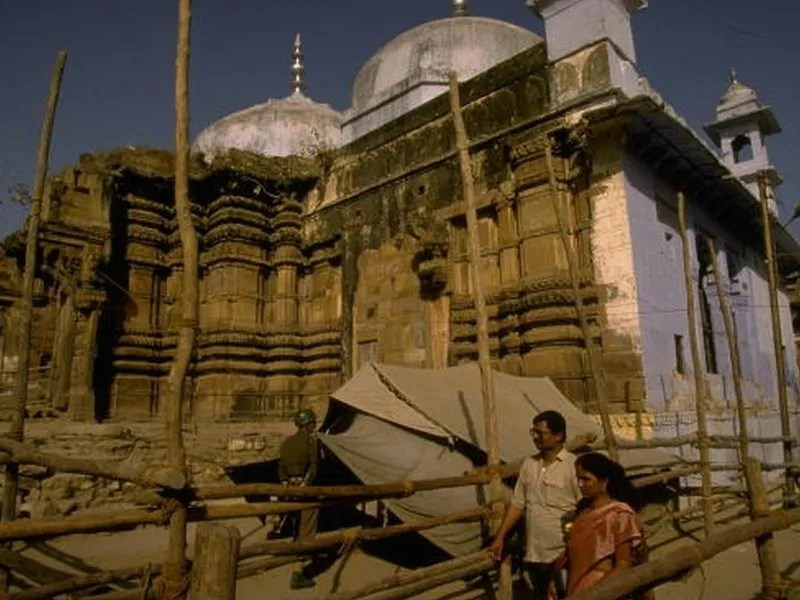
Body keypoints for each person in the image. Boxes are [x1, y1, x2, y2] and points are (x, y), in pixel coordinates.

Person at [489, 410, 581, 600]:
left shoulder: (574, 466)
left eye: (541, 433)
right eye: (534, 432)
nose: (536, 437)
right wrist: (500, 537)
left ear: (558, 436)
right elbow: (517, 504)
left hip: (563, 552)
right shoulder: (529, 465)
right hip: (534, 552)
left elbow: (583, 508)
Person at [560, 452, 651, 598]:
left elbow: (623, 563)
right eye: (577, 479)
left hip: (605, 587)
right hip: (576, 586)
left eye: (585, 479)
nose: (579, 484)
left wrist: (596, 594)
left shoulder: (619, 514)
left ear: (604, 481)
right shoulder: (583, 512)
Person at [279, 408, 321, 590]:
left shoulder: (286, 443)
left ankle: (294, 560)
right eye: (313, 423)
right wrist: (306, 484)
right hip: (304, 488)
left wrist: (285, 482)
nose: (314, 426)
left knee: (295, 527)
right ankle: (299, 572)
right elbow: (314, 466)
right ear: (308, 424)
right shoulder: (310, 442)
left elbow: (280, 467)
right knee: (307, 528)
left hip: (289, 488)